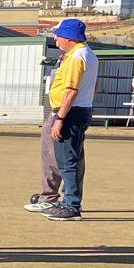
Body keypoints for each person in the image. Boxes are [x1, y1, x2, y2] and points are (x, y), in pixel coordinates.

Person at [26, 19, 97, 221]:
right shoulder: (87, 54)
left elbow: (71, 91)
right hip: (79, 110)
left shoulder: (76, 57)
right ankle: (67, 202)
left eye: (58, 35)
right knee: (71, 159)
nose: (55, 39)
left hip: (70, 112)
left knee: (67, 161)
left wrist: (60, 118)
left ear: (68, 37)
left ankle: (71, 205)